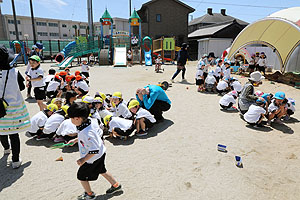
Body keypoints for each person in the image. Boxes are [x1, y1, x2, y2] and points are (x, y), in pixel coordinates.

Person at [67, 103, 122, 199]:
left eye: (71, 118)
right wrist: (76, 140)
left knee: (81, 176)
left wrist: (83, 159)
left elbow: (94, 149)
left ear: (77, 118)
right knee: (102, 170)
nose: (70, 120)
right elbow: (94, 137)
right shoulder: (90, 121)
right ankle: (115, 185)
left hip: (92, 158)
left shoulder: (87, 132)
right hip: (101, 152)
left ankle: (89, 194)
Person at [0, 45, 30, 169]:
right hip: (13, 108)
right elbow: (22, 87)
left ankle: (6, 149)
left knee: (1, 131)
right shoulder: (15, 72)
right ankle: (16, 160)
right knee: (14, 133)